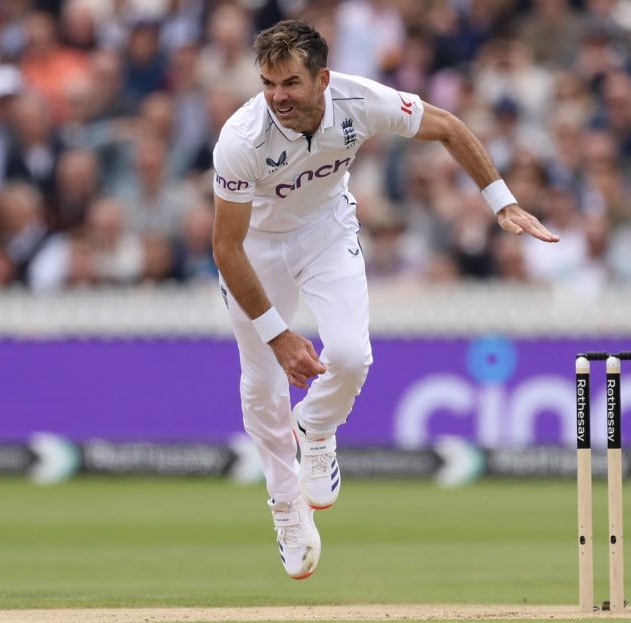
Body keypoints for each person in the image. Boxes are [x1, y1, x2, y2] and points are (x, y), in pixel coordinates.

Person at [211, 20, 558, 581]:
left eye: (291, 83)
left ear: (322, 79)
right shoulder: (242, 138)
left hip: (327, 232)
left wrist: (503, 202)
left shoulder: (359, 100)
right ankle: (285, 510)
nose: (278, 97)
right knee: (262, 387)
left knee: (350, 355)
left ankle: (317, 431)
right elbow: (225, 248)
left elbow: (447, 127)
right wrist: (279, 335)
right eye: (269, 83)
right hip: (256, 251)